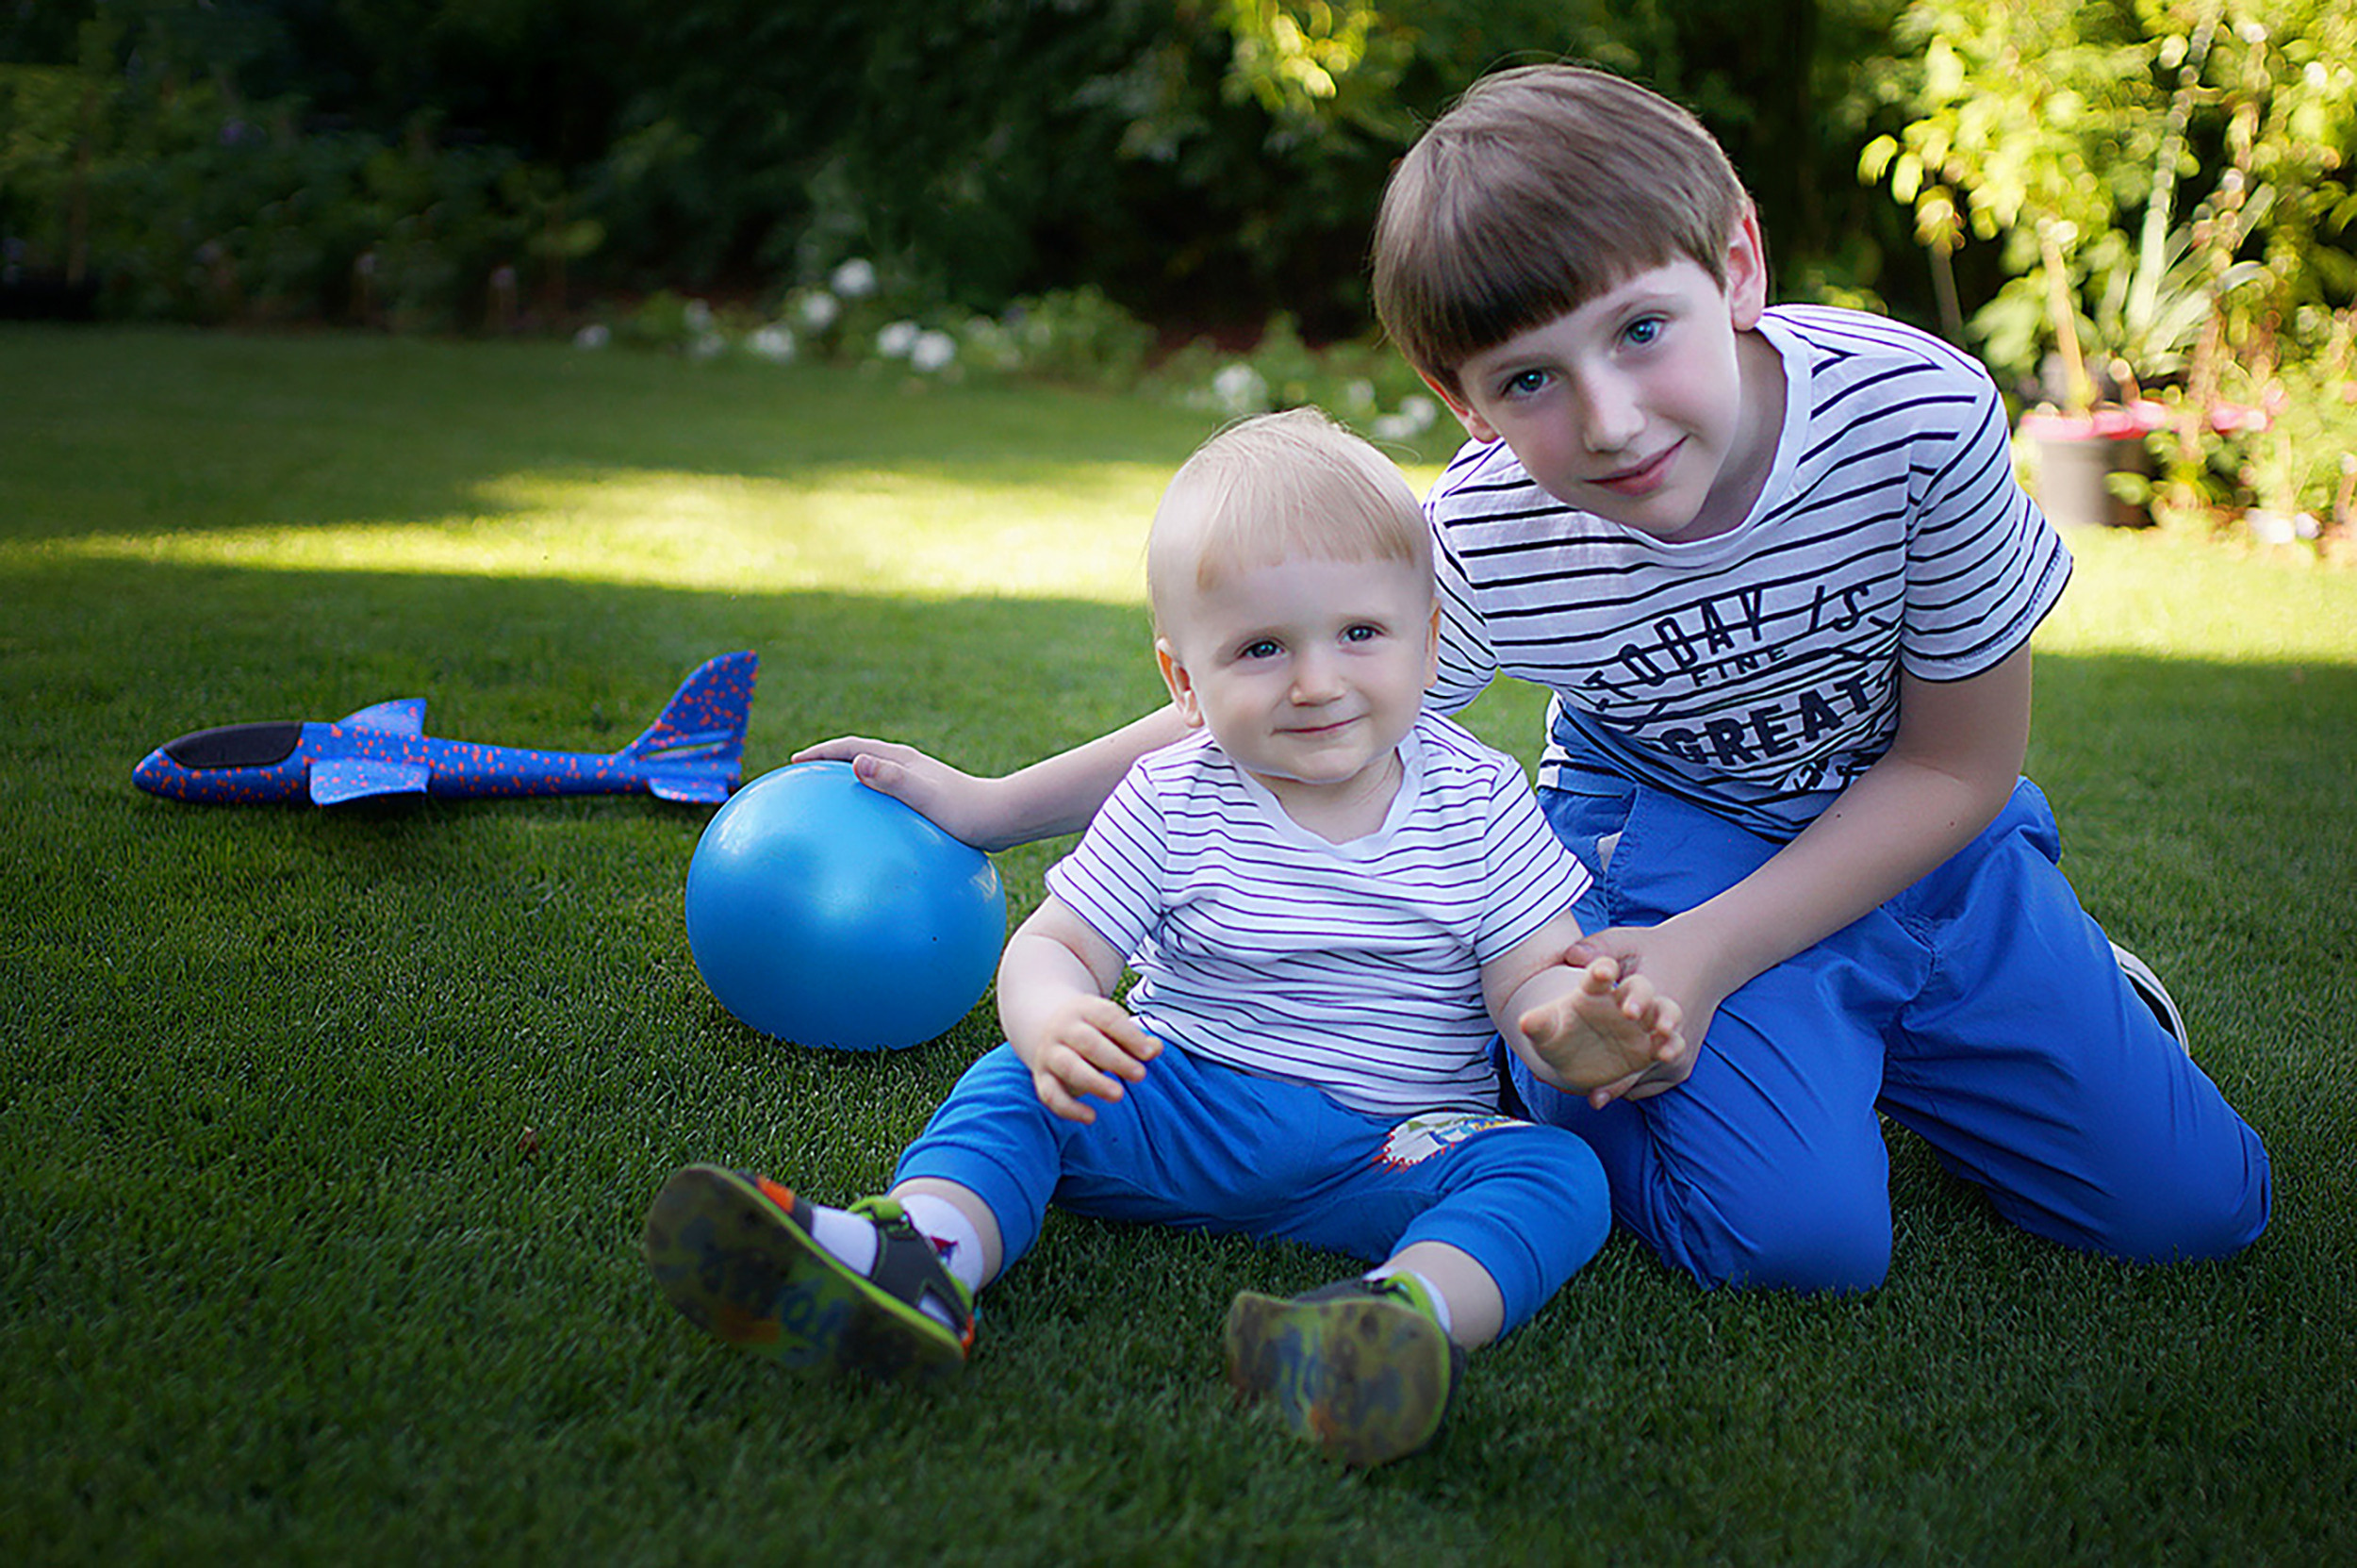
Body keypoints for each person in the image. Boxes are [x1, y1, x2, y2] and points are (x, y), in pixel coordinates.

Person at [798, 64, 2271, 1296]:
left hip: (1923, 832)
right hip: (1671, 845)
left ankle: (1950, 1027)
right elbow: (1267, 716)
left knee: (2201, 1212)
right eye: (1528, 379)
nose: (1612, 418)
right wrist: (993, 809)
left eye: (1642, 330)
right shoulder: (1484, 530)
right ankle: (1617, 1067)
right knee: (1797, 1239)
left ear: (1737, 266)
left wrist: (1714, 957)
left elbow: (1960, 766)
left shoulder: (1915, 413)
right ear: (1462, 399)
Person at [647, 408, 1685, 1466]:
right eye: (1261, 648)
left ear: (1426, 641)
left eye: (1359, 634)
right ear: (1183, 681)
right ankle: (924, 1252)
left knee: (1553, 1172)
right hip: (1175, 1102)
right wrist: (1055, 1020)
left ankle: (1393, 1317)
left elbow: (1527, 981)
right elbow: (1056, 945)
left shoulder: (1478, 799)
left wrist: (1567, 1026)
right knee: (1013, 1086)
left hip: (1387, 1146)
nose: (1316, 681)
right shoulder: (1170, 794)